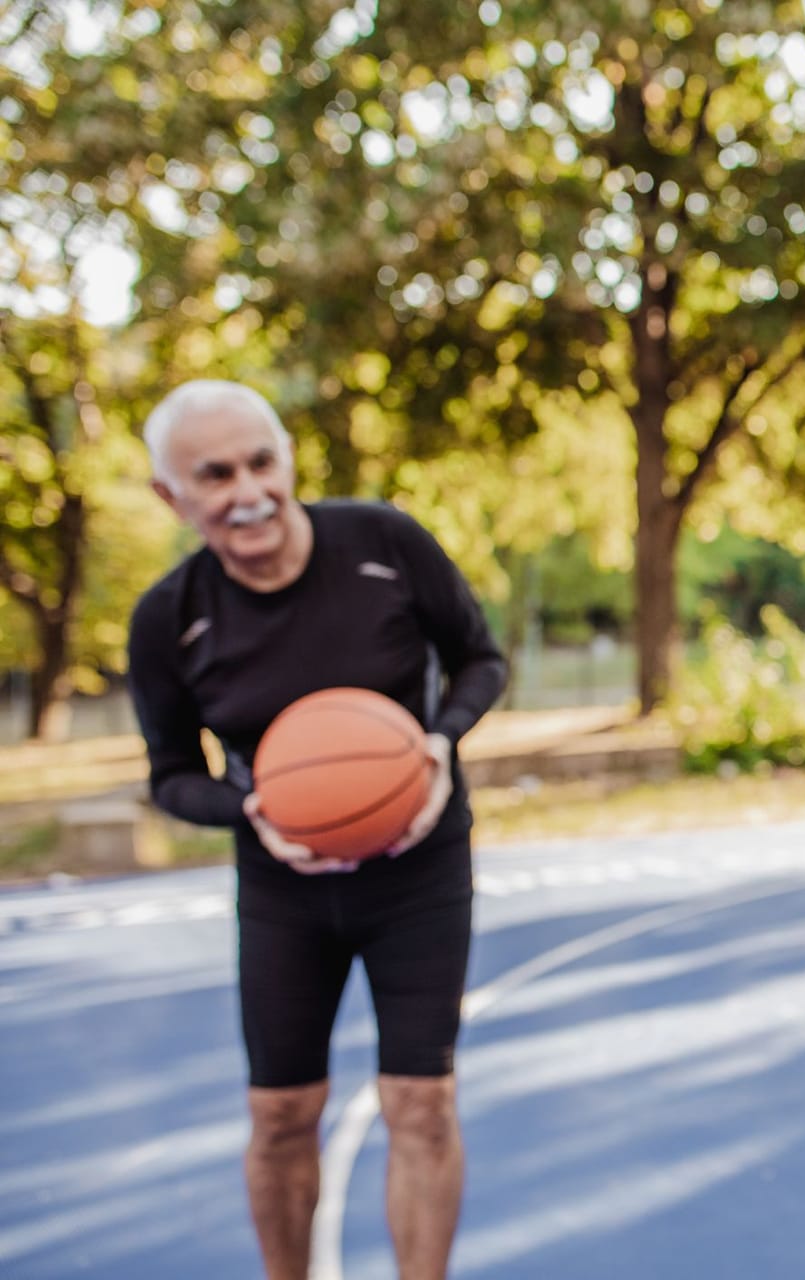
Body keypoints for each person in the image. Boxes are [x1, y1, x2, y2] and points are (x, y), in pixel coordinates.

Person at [127, 380, 507, 1280]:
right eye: (214, 475)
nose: (248, 489)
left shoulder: (385, 542)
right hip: (284, 890)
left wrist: (439, 744)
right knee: (282, 1115)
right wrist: (248, 810)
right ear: (170, 498)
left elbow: (481, 659)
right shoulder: (168, 617)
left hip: (418, 872)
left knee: (420, 1101)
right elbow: (172, 777)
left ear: (289, 459)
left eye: (262, 461)